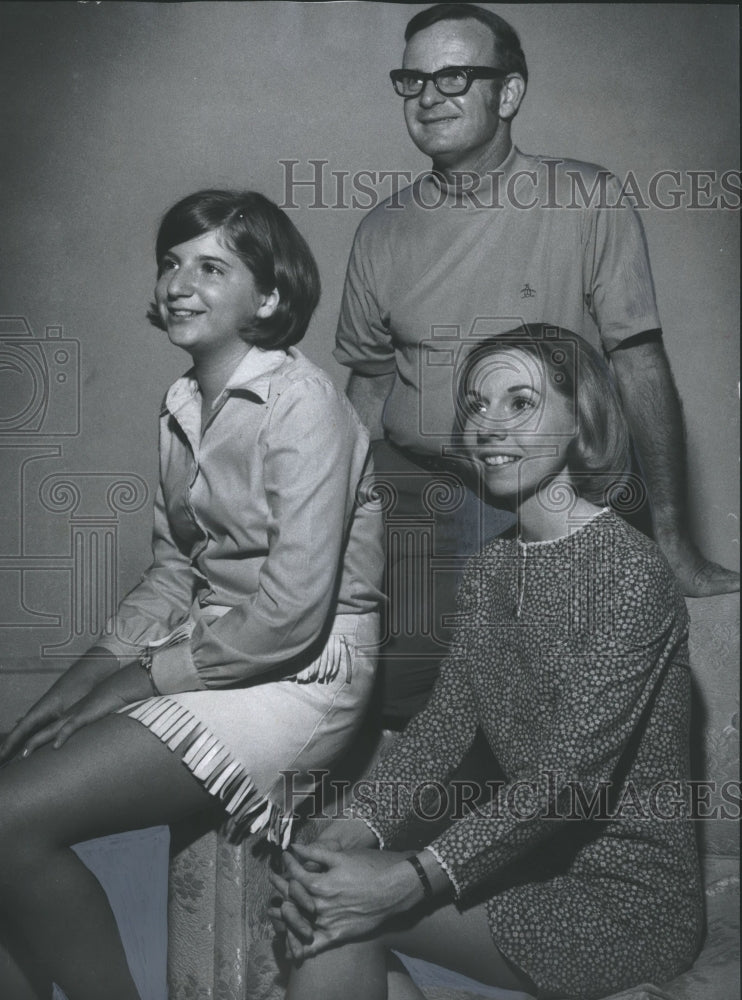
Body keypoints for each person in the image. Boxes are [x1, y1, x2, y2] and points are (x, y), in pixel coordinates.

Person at [0, 188, 383, 1000]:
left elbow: (290, 614)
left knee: (8, 819)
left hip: (305, 671)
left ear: (270, 296)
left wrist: (133, 682)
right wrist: (73, 686)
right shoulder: (182, 401)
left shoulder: (305, 404)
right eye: (172, 263)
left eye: (212, 267)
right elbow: (175, 570)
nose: (179, 283)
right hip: (218, 647)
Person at [272, 324, 704, 1000]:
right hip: (526, 867)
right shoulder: (491, 567)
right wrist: (338, 837)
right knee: (326, 898)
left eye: (520, 402)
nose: (489, 425)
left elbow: (566, 781)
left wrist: (405, 879)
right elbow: (441, 731)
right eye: (476, 404)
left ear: (579, 420)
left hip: (625, 905)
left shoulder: (631, 575)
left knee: (338, 921)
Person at [334, 1, 739, 723]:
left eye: (455, 76)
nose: (429, 98)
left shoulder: (585, 199)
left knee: (510, 680)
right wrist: (333, 521)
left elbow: (639, 364)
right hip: (410, 482)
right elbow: (366, 387)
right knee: (375, 675)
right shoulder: (381, 229)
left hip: (530, 484)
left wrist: (676, 539)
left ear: (509, 92)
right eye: (413, 80)